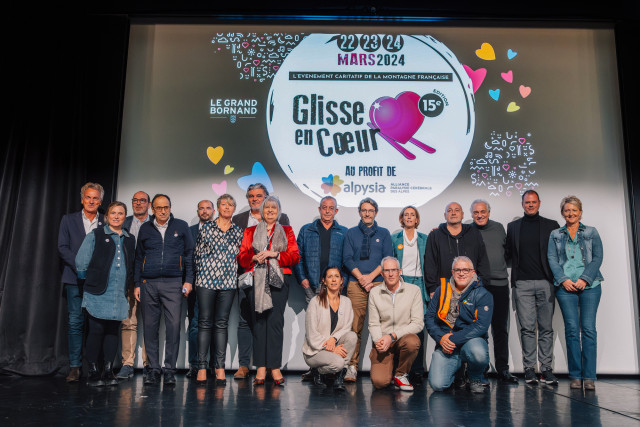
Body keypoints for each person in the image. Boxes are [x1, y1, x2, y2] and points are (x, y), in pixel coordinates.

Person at [237, 195, 300, 386]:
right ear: (261, 211)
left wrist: (275, 254)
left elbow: (295, 256)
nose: (270, 211)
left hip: (279, 280)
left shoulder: (287, 230)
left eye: (274, 208)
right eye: (267, 208)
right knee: (259, 324)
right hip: (256, 280)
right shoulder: (250, 231)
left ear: (279, 211)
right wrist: (255, 258)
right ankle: (261, 369)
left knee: (274, 323)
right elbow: (242, 256)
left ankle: (274, 368)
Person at [133, 194, 194, 386]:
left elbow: (189, 255)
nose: (162, 211)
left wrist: (189, 280)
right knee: (150, 328)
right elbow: (138, 257)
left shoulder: (181, 226)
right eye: (158, 208)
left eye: (165, 207)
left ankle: (169, 370)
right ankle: (153, 369)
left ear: (170, 207)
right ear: (152, 209)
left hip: (173, 283)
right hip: (148, 284)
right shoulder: (145, 228)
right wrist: (136, 283)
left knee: (174, 327)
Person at [75, 201, 135, 386]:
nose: (117, 216)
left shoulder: (130, 238)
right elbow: (81, 263)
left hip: (119, 293)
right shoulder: (96, 234)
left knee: (112, 331)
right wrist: (93, 281)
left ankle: (108, 371)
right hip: (98, 292)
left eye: (121, 213)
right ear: (107, 216)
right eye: (113, 213)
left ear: (125, 217)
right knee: (96, 330)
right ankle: (93, 372)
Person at [547, 196, 603, 390]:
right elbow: (552, 259)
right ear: (562, 213)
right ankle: (575, 376)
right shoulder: (555, 234)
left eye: (574, 210)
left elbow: (597, 258)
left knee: (588, 329)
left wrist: (584, 278)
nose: (570, 213)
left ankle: (589, 377)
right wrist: (563, 280)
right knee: (571, 331)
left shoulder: (591, 232)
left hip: (590, 286)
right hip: (565, 288)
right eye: (567, 210)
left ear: (580, 212)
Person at [505, 190, 560, 385]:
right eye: (527, 202)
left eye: (533, 202)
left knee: (546, 328)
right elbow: (506, 253)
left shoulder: (552, 226)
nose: (530, 205)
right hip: (522, 284)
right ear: (522, 204)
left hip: (546, 282)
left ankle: (546, 369)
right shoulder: (512, 227)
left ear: (539, 203)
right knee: (527, 328)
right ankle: (529, 368)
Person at [295, 196, 348, 382]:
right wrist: (302, 279)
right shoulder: (307, 230)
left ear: (336, 211)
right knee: (314, 327)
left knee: (333, 326)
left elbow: (347, 262)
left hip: (335, 288)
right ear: (319, 209)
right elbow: (298, 256)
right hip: (313, 285)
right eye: (324, 207)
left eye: (331, 208)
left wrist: (342, 284)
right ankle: (314, 367)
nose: (327, 211)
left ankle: (331, 366)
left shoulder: (343, 232)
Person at [194, 195, 243, 386]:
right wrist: (206, 273)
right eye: (224, 204)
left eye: (231, 204)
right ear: (218, 207)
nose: (227, 207)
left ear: (234, 209)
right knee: (204, 323)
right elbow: (197, 255)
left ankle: (220, 367)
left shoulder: (238, 231)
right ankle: (201, 367)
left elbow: (239, 258)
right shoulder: (206, 228)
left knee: (221, 324)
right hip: (205, 282)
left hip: (229, 283)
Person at [57, 182, 105, 382]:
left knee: (97, 325)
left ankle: (94, 367)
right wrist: (81, 267)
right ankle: (75, 368)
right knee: (75, 323)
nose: (92, 201)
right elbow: (62, 247)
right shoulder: (68, 220)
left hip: (99, 282)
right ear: (82, 199)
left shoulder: (106, 220)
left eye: (95, 198)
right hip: (74, 279)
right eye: (88, 197)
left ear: (100, 201)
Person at [342, 197, 393, 382]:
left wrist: (370, 278)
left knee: (380, 327)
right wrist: (361, 279)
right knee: (354, 328)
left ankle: (380, 368)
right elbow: (347, 259)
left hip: (379, 284)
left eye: (371, 210)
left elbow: (387, 258)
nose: (367, 213)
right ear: (359, 212)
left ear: (376, 213)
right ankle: (352, 367)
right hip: (356, 284)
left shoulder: (384, 233)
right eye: (364, 210)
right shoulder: (351, 233)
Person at [426, 256, 493, 393]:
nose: (461, 273)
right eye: (457, 270)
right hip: (446, 343)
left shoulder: (483, 294)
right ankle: (457, 372)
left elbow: (481, 326)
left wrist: (451, 339)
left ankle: (474, 376)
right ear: (452, 272)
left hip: (469, 340)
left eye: (465, 270)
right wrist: (441, 338)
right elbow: (429, 318)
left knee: (478, 353)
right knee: (438, 385)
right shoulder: (441, 290)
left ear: (473, 272)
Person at [470, 199, 518, 384]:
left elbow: (507, 253)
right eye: (476, 212)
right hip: (478, 286)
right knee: (479, 329)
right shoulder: (468, 230)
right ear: (472, 214)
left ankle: (503, 369)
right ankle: (481, 368)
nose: (480, 215)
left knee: (500, 329)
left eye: (483, 211)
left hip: (499, 284)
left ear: (489, 212)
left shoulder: (499, 228)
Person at [368, 257, 424, 391]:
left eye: (394, 270)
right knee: (379, 383)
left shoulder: (414, 290)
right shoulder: (375, 293)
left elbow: (418, 324)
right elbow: (373, 323)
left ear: (400, 272)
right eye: (387, 271)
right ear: (381, 274)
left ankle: (401, 374)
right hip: (383, 339)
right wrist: (378, 341)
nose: (391, 274)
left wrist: (392, 336)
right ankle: (388, 367)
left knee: (413, 342)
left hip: (402, 338)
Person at [302, 266, 356, 392]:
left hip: (333, 345)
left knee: (352, 336)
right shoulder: (315, 301)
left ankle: (339, 376)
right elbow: (312, 334)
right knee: (338, 363)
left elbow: (347, 327)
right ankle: (317, 370)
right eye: (330, 277)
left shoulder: (346, 302)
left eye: (336, 276)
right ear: (324, 281)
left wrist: (334, 338)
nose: (333, 280)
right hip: (315, 351)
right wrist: (330, 347)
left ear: (341, 280)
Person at [391, 206, 429, 385]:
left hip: (420, 282)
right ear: (401, 218)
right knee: (400, 322)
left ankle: (417, 369)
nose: (409, 217)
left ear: (417, 218)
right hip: (402, 281)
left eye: (412, 214)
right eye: (406, 215)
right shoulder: (394, 238)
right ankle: (398, 368)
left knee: (418, 324)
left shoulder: (425, 239)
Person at [424, 202, 491, 298]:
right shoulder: (435, 235)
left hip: (471, 289)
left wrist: (482, 284)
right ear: (445, 215)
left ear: (462, 214)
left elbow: (482, 260)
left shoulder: (474, 233)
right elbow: (430, 264)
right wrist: (432, 288)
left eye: (457, 210)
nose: (453, 213)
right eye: (449, 211)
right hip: (444, 289)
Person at [117, 191, 150, 380]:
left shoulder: (156, 223)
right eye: (135, 200)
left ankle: (148, 364)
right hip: (128, 280)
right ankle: (127, 364)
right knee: (128, 322)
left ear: (149, 204)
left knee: (150, 324)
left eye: (142, 201)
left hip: (150, 280)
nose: (138, 204)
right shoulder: (123, 222)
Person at [185, 200, 215, 379]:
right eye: (201, 208)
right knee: (195, 325)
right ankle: (194, 365)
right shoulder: (190, 231)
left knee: (214, 326)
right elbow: (187, 257)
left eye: (208, 208)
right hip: (195, 286)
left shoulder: (221, 229)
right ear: (197, 211)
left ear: (214, 210)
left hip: (216, 285)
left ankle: (211, 365)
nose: (205, 211)